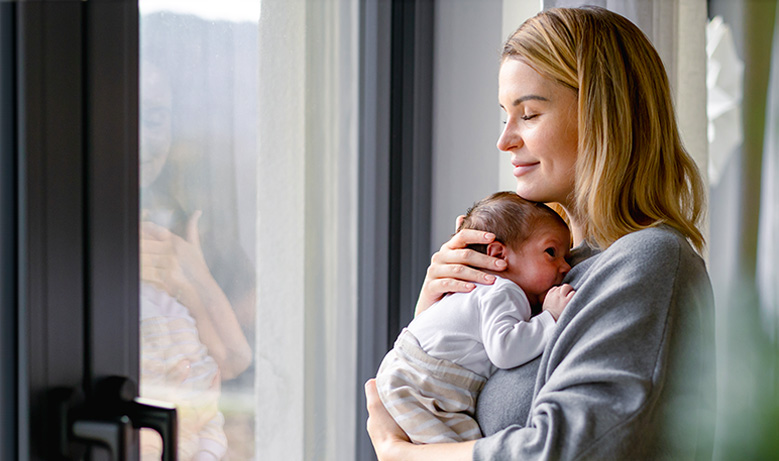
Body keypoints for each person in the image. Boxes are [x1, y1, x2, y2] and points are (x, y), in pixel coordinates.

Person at [366, 6, 715, 460]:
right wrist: (438, 326)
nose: (505, 139)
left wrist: (403, 455)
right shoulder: (549, 275)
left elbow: (566, 449)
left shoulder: (647, 261)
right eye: (504, 116)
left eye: (528, 114)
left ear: (601, 116)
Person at [376, 192, 575, 444]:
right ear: (498, 254)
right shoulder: (502, 290)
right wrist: (551, 317)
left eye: (566, 257)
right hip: (423, 385)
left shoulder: (481, 290)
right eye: (551, 252)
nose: (565, 267)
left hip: (412, 377)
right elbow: (506, 350)